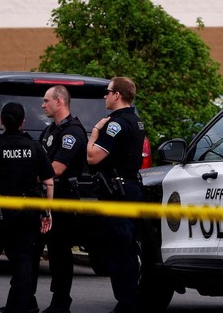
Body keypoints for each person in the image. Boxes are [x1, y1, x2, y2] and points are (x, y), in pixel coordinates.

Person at [0, 102, 55, 313]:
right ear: (23, 122)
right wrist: (47, 212)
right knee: (23, 264)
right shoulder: (35, 147)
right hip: (26, 214)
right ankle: (16, 309)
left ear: (1, 121)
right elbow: (49, 182)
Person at [86, 77, 145, 313]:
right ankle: (130, 300)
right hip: (129, 189)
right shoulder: (136, 120)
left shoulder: (115, 124)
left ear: (117, 95)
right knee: (127, 249)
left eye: (107, 92)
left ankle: (127, 304)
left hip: (118, 193)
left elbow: (93, 157)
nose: (105, 96)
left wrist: (94, 132)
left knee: (120, 251)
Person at [35, 85, 89, 313]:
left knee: (60, 252)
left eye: (46, 100)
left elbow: (56, 168)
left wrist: (28, 173)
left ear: (59, 101)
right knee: (44, 250)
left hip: (64, 200)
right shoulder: (49, 132)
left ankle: (61, 301)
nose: (42, 104)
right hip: (45, 200)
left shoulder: (73, 132)